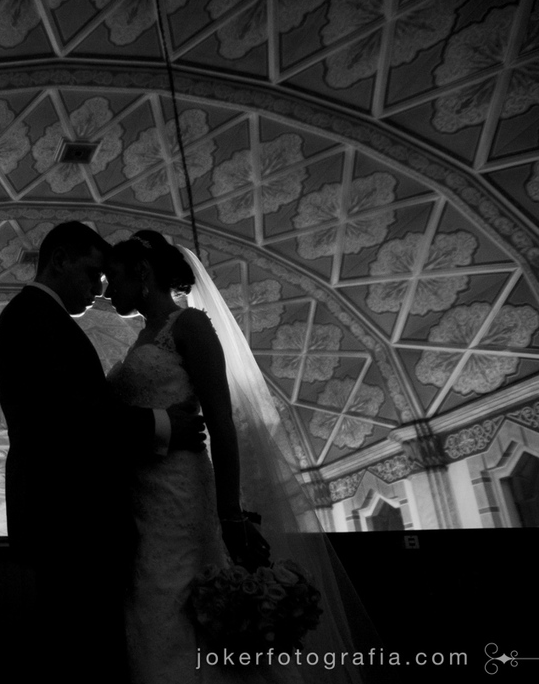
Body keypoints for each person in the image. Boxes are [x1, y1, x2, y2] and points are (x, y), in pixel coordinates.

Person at [106, 231, 370, 683]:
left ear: (143, 274)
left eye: (114, 278)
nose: (108, 290)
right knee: (151, 601)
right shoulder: (142, 338)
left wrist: (229, 512)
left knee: (180, 592)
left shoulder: (189, 327)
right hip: (144, 498)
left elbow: (222, 423)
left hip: (182, 493)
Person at [0, 221, 206, 683]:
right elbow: (76, 418)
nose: (99, 289)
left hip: (69, 518)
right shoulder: (35, 318)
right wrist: (168, 424)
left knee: (85, 647)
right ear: (60, 259)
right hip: (70, 518)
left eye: (105, 278)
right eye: (91, 274)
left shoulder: (42, 320)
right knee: (83, 652)